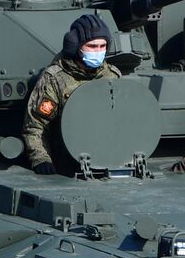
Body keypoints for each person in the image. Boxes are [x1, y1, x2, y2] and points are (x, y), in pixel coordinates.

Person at [22, 13, 122, 175]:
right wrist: (41, 159)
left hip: (106, 160)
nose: (98, 51)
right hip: (66, 163)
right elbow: (35, 126)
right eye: (92, 46)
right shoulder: (55, 78)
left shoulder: (112, 76)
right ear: (76, 46)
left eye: (102, 46)